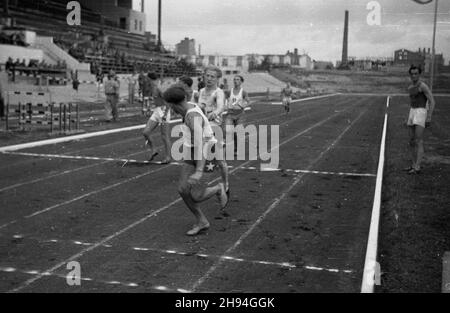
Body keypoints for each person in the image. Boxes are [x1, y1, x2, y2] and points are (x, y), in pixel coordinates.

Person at [163, 84, 229, 236]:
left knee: (197, 196)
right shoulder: (189, 105)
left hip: (206, 152)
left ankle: (218, 188)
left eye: (170, 106)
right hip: (190, 149)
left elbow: (201, 143)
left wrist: (199, 170)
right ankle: (202, 221)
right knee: (183, 189)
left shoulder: (192, 116)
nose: (171, 110)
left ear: (174, 105)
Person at [198, 66, 229, 193]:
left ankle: (226, 183)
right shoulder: (200, 91)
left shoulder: (218, 92)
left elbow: (221, 106)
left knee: (220, 161)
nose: (209, 78)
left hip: (214, 128)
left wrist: (215, 113)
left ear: (217, 79)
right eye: (208, 75)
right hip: (201, 128)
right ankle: (199, 183)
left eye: (213, 76)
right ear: (204, 76)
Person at [405, 65, 435, 174]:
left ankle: (417, 167)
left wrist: (429, 116)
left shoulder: (423, 86)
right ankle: (413, 164)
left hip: (421, 112)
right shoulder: (410, 87)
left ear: (419, 74)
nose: (414, 75)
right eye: (412, 73)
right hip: (412, 112)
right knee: (411, 141)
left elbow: (432, 101)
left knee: (418, 140)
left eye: (416, 73)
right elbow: (412, 103)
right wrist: (409, 116)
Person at [142, 72, 171, 163]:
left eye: (147, 79)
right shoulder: (152, 87)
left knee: (164, 136)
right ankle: (154, 149)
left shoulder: (159, 88)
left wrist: (165, 114)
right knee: (146, 132)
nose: (146, 80)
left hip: (163, 111)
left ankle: (168, 157)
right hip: (157, 111)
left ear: (150, 79)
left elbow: (167, 101)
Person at [224, 75, 251, 156]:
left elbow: (248, 101)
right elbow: (224, 99)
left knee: (237, 133)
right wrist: (225, 105)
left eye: (237, 79)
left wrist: (243, 105)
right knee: (228, 130)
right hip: (230, 114)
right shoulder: (229, 91)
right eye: (234, 79)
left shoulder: (243, 92)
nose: (235, 81)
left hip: (240, 115)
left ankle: (236, 149)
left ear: (241, 81)